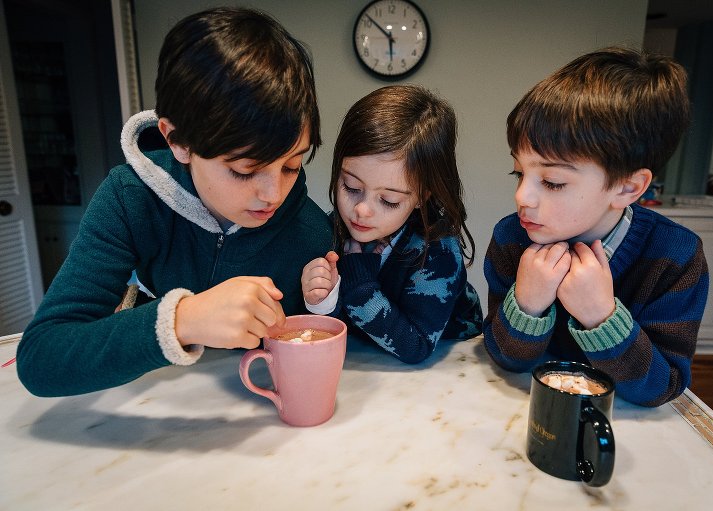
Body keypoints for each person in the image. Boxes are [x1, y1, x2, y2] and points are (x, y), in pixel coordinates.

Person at [17, 7, 332, 397]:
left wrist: (326, 302)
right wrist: (182, 319)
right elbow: (41, 358)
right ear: (177, 140)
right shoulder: (130, 197)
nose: (274, 194)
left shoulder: (313, 231)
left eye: (292, 165)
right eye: (245, 170)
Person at [483, 47, 709, 407]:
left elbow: (663, 386)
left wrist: (601, 317)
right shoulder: (512, 238)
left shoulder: (675, 256)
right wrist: (527, 305)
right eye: (519, 173)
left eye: (553, 182)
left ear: (627, 188)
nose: (522, 195)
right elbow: (506, 360)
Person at [300, 85, 483, 364]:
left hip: (449, 368)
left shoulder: (438, 252)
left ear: (422, 197)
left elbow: (417, 346)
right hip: (369, 367)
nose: (361, 210)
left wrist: (360, 286)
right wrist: (321, 300)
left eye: (388, 200)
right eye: (351, 187)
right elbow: (339, 329)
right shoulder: (333, 228)